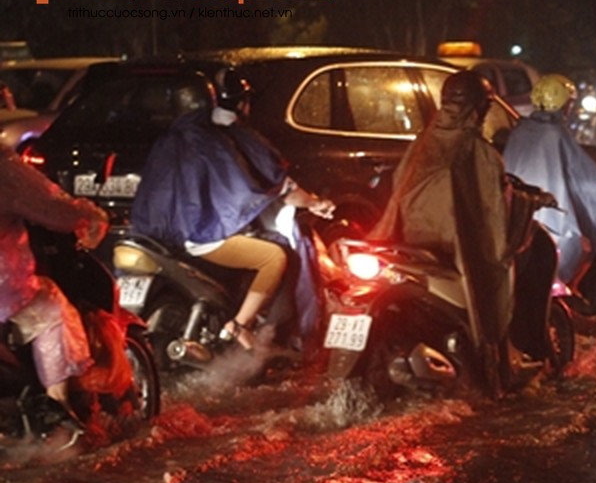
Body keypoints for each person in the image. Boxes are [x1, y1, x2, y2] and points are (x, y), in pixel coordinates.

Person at [131, 67, 334, 352]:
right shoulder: (233, 140)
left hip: (168, 235)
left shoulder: (177, 138)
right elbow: (285, 190)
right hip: (206, 237)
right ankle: (240, 325)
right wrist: (317, 203)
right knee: (273, 257)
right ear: (242, 103)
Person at [368, 69, 541, 393]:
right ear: (479, 109)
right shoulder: (478, 152)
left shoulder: (422, 143)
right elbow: (491, 215)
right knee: (493, 275)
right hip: (452, 251)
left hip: (409, 245)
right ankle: (496, 367)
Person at [503, 73, 596, 315]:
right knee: (581, 242)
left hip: (514, 217)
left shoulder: (521, 130)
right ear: (563, 103)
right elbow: (582, 175)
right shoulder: (555, 135)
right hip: (550, 221)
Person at [0, 145, 109, 417]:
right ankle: (58, 407)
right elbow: (52, 207)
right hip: (5, 287)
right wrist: (90, 216)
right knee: (53, 307)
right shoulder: (6, 170)